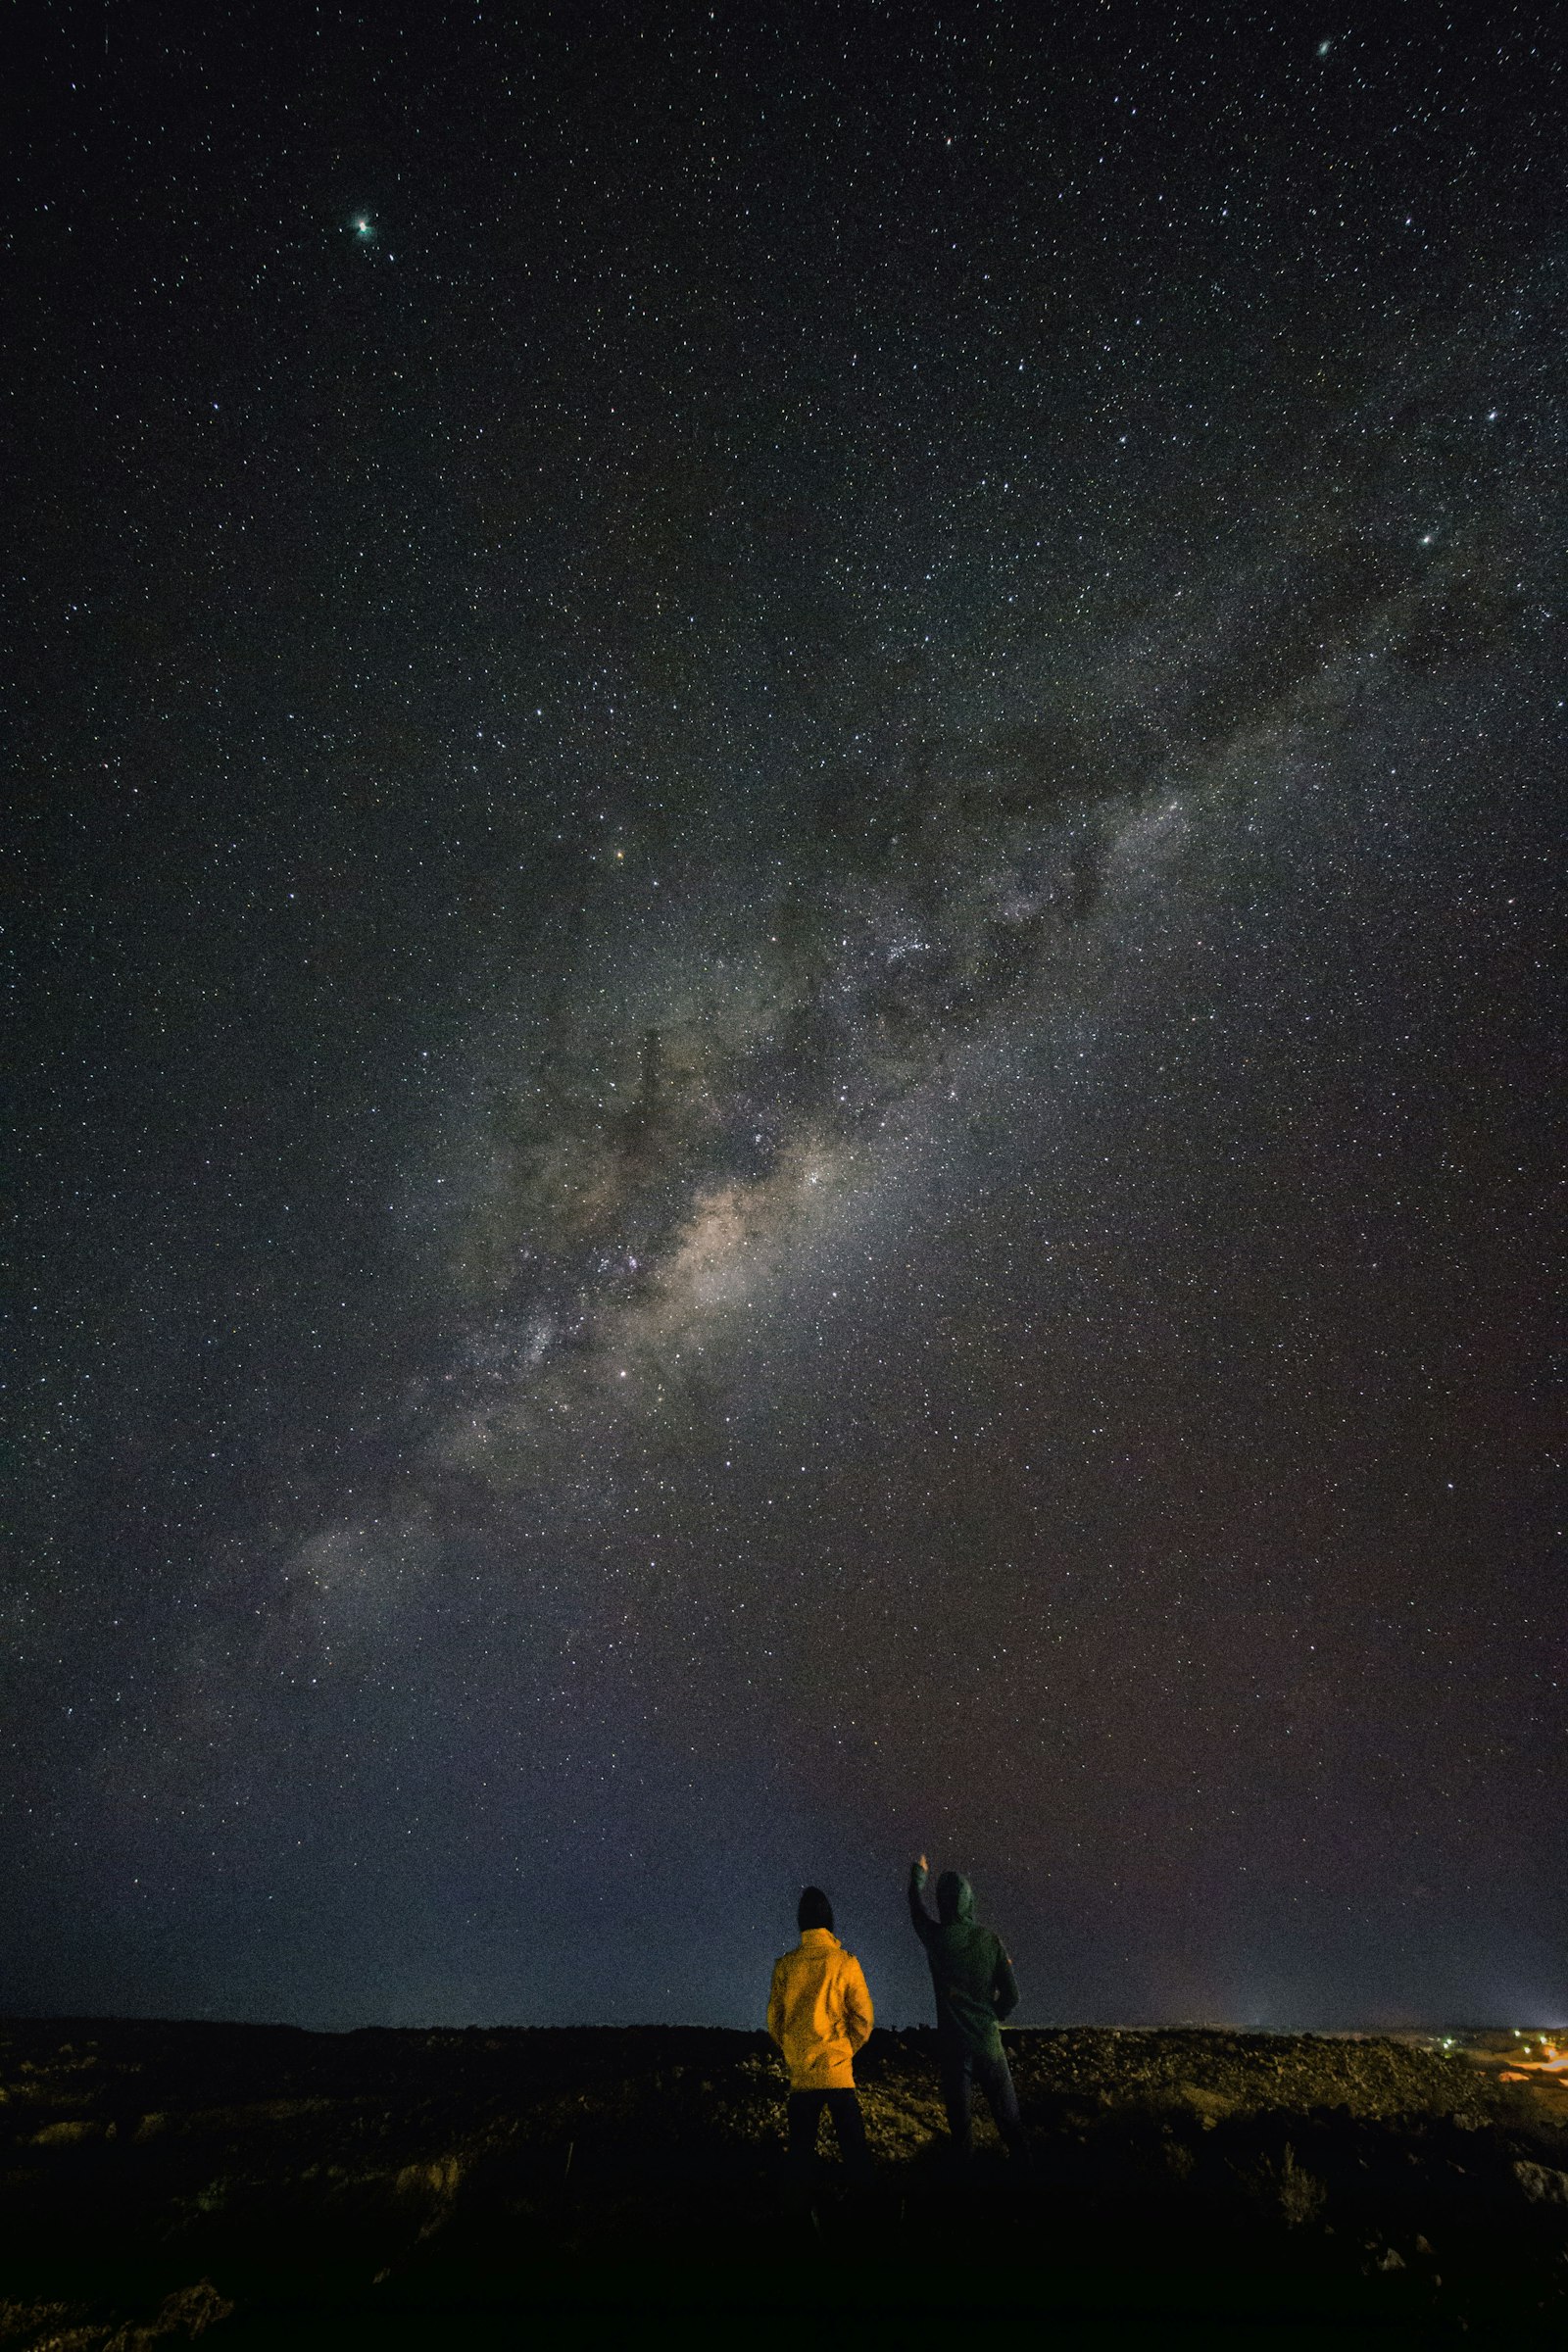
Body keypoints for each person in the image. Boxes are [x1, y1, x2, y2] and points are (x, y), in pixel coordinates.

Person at [907, 1853, 1027, 2163]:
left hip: (953, 2049)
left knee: (961, 2135)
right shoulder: (990, 1940)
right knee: (1011, 2126)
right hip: (988, 2045)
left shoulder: (935, 1938)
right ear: (969, 1900)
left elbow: (916, 1912)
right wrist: (993, 2014)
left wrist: (918, 1878)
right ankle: (1029, 2189)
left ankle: (968, 2198)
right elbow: (1012, 1995)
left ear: (943, 1903)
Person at [766, 1886, 875, 2183]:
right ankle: (869, 2218)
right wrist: (844, 2049)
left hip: (802, 2075)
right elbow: (863, 2019)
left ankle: (800, 2217)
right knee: (856, 2155)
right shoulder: (846, 1963)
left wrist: (793, 2050)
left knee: (800, 2156)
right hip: (838, 2073)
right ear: (829, 1921)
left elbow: (775, 2020)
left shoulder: (785, 1967)